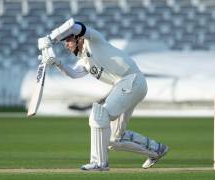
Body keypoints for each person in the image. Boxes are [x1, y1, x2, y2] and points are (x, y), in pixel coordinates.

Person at [38, 18, 169, 171]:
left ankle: (99, 163)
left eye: (67, 40)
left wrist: (51, 38)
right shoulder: (83, 61)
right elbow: (73, 74)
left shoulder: (93, 40)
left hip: (131, 79)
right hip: (129, 85)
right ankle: (156, 149)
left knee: (99, 115)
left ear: (78, 37)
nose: (66, 45)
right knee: (114, 138)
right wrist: (58, 63)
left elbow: (74, 25)